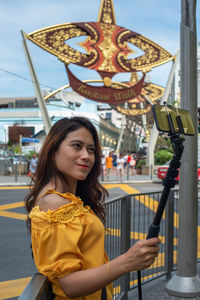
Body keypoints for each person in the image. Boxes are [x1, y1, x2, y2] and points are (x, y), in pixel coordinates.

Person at [24, 117, 160, 300]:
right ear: (53, 150)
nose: (86, 156)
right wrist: (127, 261)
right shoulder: (54, 204)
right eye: (76, 146)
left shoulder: (69, 197)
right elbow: (70, 285)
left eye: (91, 149)